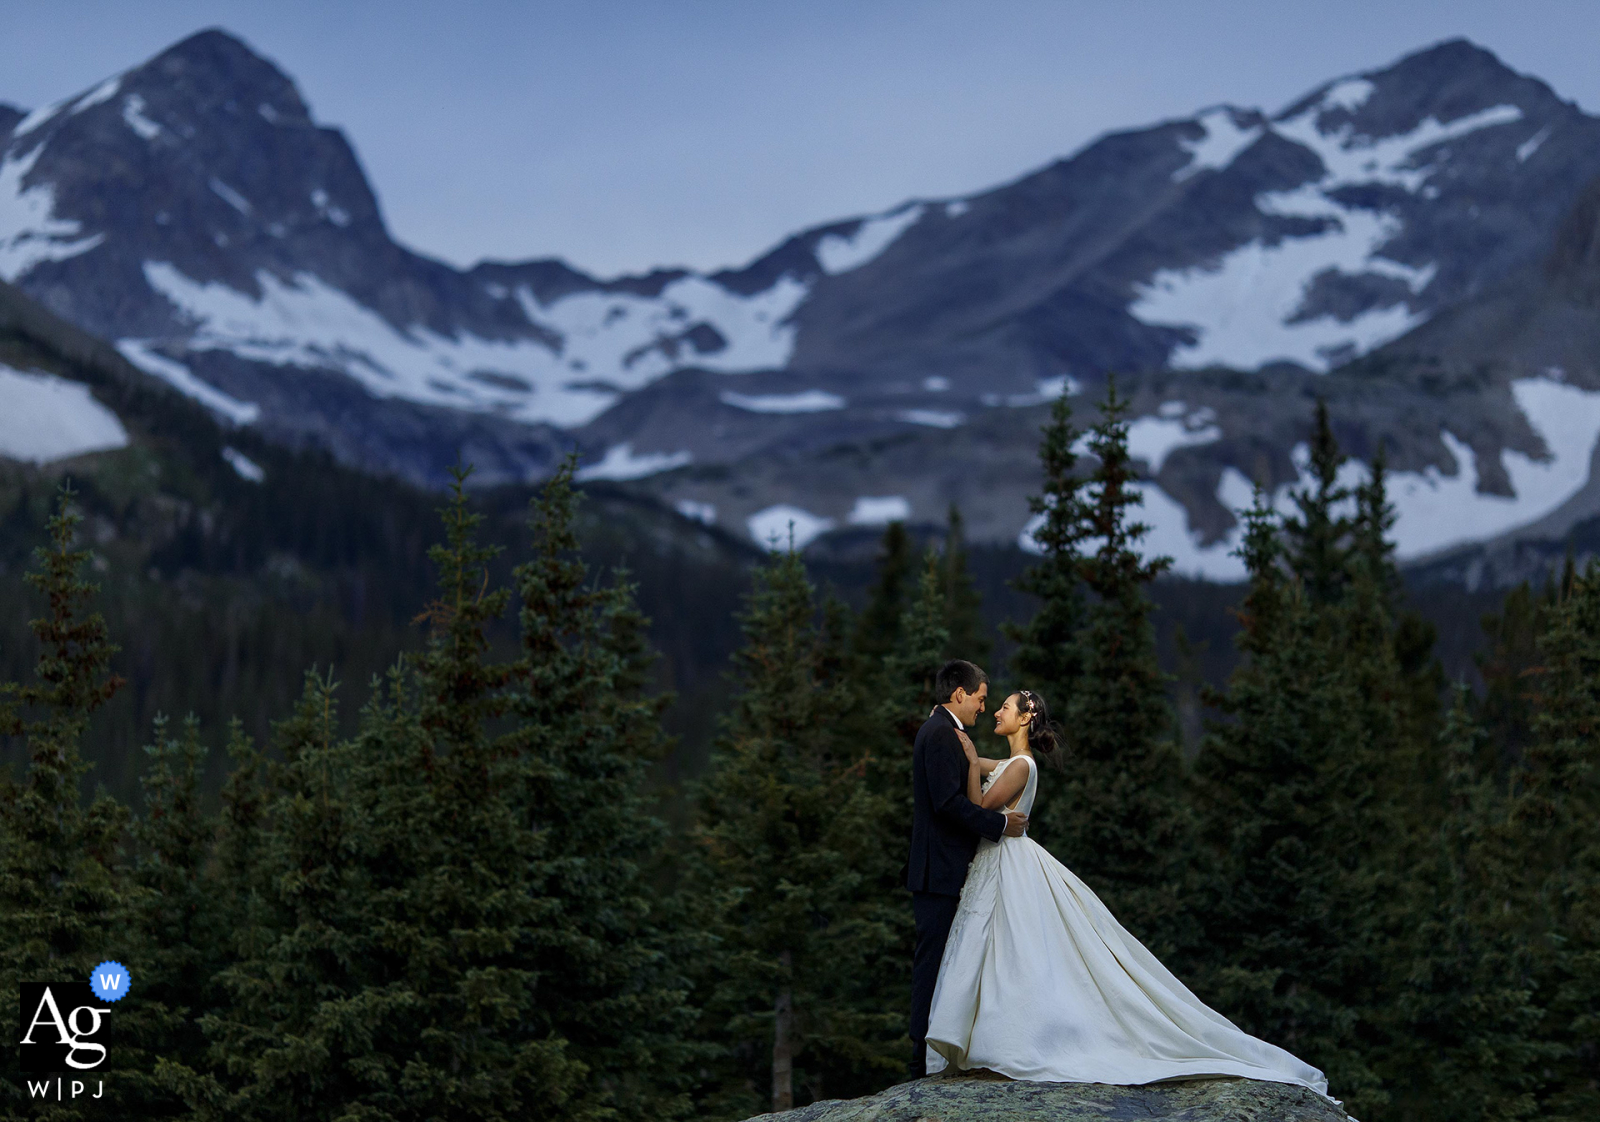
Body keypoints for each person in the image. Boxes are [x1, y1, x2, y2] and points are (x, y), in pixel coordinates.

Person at [923, 687, 1332, 1100]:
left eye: (1005, 707)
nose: (997, 711)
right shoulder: (1016, 762)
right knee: (1002, 948)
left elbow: (977, 806)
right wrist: (968, 756)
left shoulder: (1020, 766)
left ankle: (1009, 1036)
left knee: (1008, 950)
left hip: (1006, 863)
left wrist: (972, 764)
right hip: (1002, 861)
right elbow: (997, 768)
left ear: (1025, 717)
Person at [904, 659, 1029, 1080]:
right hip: (938, 871)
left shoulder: (945, 732)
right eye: (979, 698)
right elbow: (946, 803)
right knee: (932, 963)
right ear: (959, 693)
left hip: (945, 868)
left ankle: (939, 1054)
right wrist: (998, 824)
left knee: (946, 961)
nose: (982, 707)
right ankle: (919, 1060)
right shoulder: (941, 734)